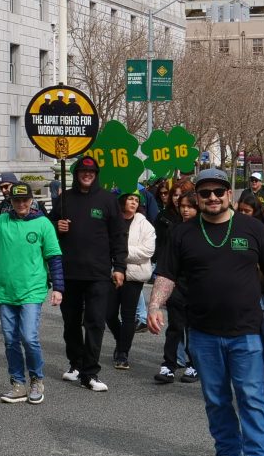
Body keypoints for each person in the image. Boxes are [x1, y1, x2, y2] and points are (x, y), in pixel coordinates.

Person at [147, 167, 264, 456]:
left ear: (229, 195)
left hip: (248, 332)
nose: (212, 197)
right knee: (217, 399)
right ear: (197, 197)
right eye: (205, 193)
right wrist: (155, 306)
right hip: (203, 333)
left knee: (252, 397)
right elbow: (166, 274)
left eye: (218, 192)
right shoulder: (183, 233)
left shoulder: (253, 229)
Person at [0, 180, 63, 404]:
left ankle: (36, 379)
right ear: (11, 202)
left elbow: (54, 257)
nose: (21, 204)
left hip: (32, 290)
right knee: (10, 340)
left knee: (29, 337)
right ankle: (17, 383)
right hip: (6, 290)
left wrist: (58, 288)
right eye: (16, 200)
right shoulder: (1, 221)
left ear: (31, 201)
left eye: (24, 200)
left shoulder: (43, 224)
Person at [51, 153, 128, 391]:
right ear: (75, 175)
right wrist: (57, 226)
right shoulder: (64, 200)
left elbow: (118, 236)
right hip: (69, 272)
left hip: (98, 273)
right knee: (70, 323)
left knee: (95, 322)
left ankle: (91, 372)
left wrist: (120, 266)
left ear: (96, 175)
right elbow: (46, 230)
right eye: (83, 172)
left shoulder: (107, 200)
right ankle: (75, 364)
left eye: (91, 173)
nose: (87, 175)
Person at [151, 186, 199, 384]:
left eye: (190, 207)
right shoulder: (175, 229)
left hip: (198, 288)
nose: (185, 210)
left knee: (193, 329)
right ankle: (169, 365)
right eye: (182, 206)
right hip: (177, 285)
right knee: (175, 327)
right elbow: (167, 260)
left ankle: (194, 365)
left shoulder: (204, 229)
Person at [109, 191, 156, 370]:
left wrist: (120, 251)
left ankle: (123, 353)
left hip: (134, 275)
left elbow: (146, 252)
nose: (134, 202)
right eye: (130, 198)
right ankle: (121, 339)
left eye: (137, 200)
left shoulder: (145, 225)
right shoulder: (112, 221)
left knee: (128, 315)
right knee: (109, 313)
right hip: (111, 274)